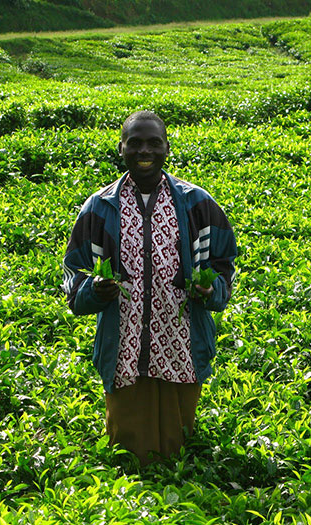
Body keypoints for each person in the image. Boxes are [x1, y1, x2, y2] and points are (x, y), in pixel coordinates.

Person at [63, 111, 237, 465]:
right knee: (127, 447)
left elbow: (224, 262)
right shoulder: (100, 206)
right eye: (136, 142)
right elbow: (74, 270)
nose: (145, 151)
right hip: (123, 336)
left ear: (167, 148)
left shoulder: (196, 203)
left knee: (179, 442)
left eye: (154, 143)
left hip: (180, 337)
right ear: (122, 148)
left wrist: (211, 290)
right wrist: (94, 290)